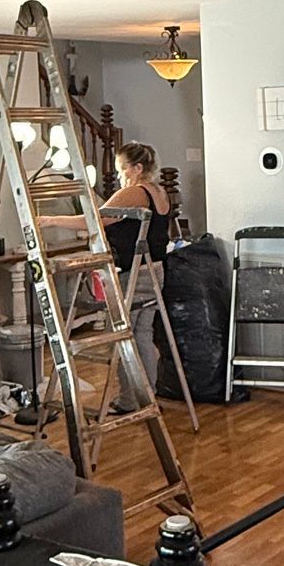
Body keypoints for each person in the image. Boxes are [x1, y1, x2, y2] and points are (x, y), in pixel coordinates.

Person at [99, 142, 171, 403]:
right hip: (155, 271)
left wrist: (48, 221)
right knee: (142, 334)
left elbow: (97, 219)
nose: (119, 176)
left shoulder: (135, 193)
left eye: (122, 169)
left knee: (121, 336)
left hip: (134, 274)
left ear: (138, 168)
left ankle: (129, 400)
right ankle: (146, 397)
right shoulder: (158, 191)